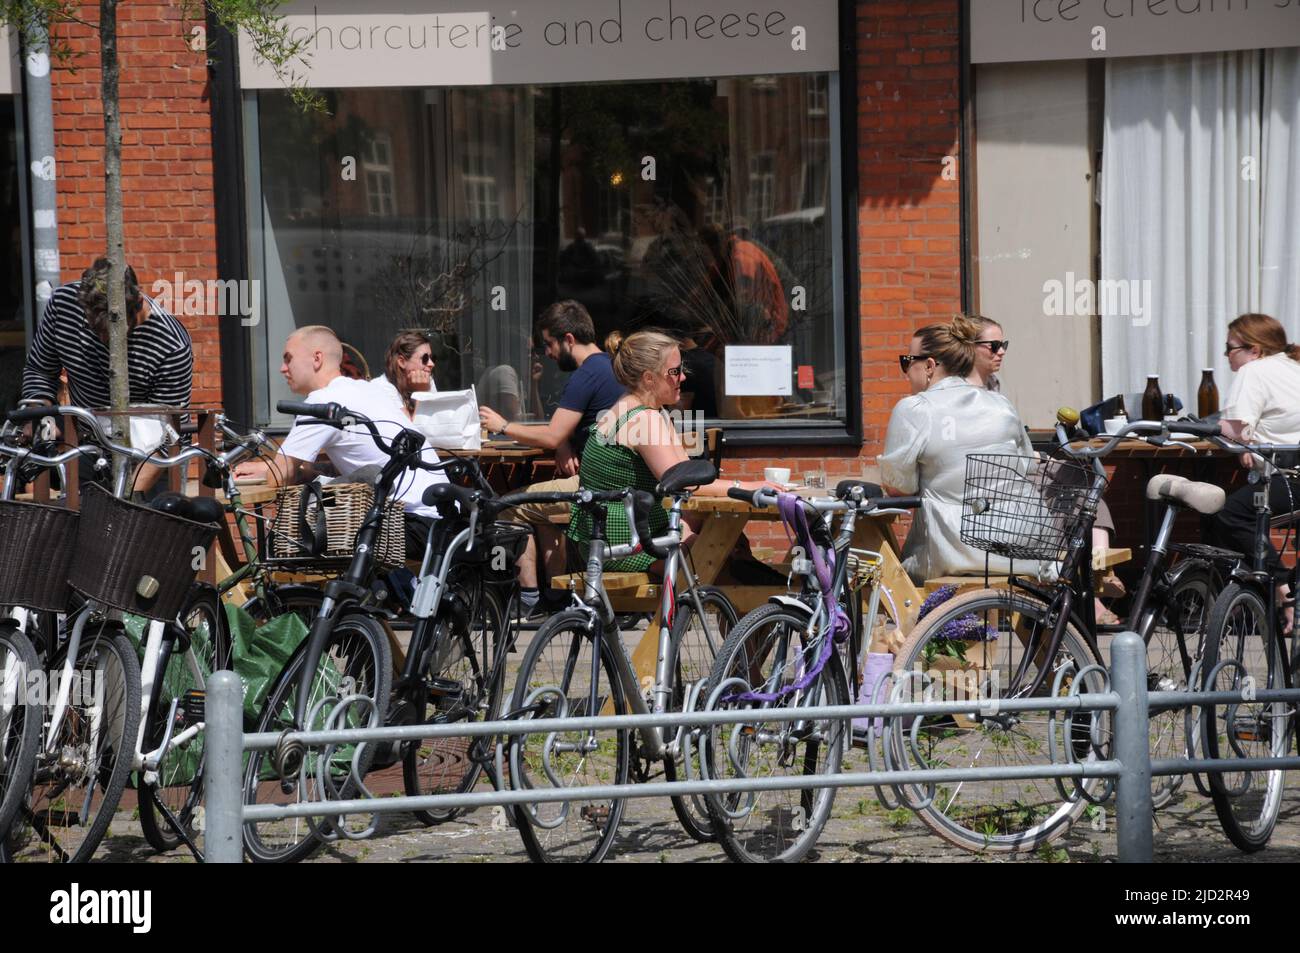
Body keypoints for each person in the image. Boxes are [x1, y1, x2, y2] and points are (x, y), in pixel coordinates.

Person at [566, 330, 776, 573]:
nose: (683, 377)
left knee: (728, 547)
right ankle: (765, 603)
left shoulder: (644, 410)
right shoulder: (644, 420)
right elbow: (684, 485)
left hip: (617, 538)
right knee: (720, 558)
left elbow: (689, 475)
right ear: (648, 379)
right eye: (675, 371)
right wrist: (748, 487)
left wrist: (688, 527)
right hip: (625, 545)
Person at [232, 325, 448, 560]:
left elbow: (279, 478)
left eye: (288, 359)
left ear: (316, 358)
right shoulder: (366, 390)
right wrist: (269, 466)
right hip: (442, 517)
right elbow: (359, 460)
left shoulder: (323, 402)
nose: (283, 368)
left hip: (412, 522)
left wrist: (272, 469)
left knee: (287, 542)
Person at [478, 300, 623, 611]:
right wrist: (564, 443)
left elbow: (552, 432)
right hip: (615, 484)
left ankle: (527, 599)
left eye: (549, 343)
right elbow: (569, 429)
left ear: (569, 339)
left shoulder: (586, 376)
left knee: (507, 507)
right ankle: (558, 598)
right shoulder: (611, 367)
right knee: (541, 515)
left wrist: (502, 426)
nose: (547, 352)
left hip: (593, 487)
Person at [880, 317, 1040, 584]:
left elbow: (899, 488)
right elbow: (1027, 466)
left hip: (954, 551)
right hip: (1022, 544)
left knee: (877, 569)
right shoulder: (1001, 404)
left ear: (929, 365)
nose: (906, 372)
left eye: (908, 361)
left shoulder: (915, 408)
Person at [20, 258, 193, 493]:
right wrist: (43, 420)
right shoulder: (64, 305)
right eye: (95, 330)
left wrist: (126, 501)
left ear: (138, 303)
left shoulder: (171, 345)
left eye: (113, 331)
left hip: (148, 460)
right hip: (87, 447)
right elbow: (40, 370)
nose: (104, 339)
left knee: (136, 524)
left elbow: (170, 436)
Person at [1215, 313, 1300, 634]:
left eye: (1230, 348)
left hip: (1288, 477)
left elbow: (1235, 430)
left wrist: (1196, 424)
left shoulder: (1255, 371)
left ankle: (1282, 590)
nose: (1227, 356)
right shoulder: (1293, 367)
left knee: (1230, 513)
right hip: (1289, 473)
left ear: (1254, 349)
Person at [372, 330, 435, 422]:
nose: (431, 364)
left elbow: (437, 422)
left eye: (432, 358)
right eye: (425, 358)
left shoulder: (426, 381)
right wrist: (421, 394)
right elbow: (410, 431)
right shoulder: (381, 388)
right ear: (402, 362)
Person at [966, 314, 1007, 392]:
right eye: (995, 345)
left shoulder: (993, 382)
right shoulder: (956, 390)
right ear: (970, 346)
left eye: (1003, 345)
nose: (1002, 352)